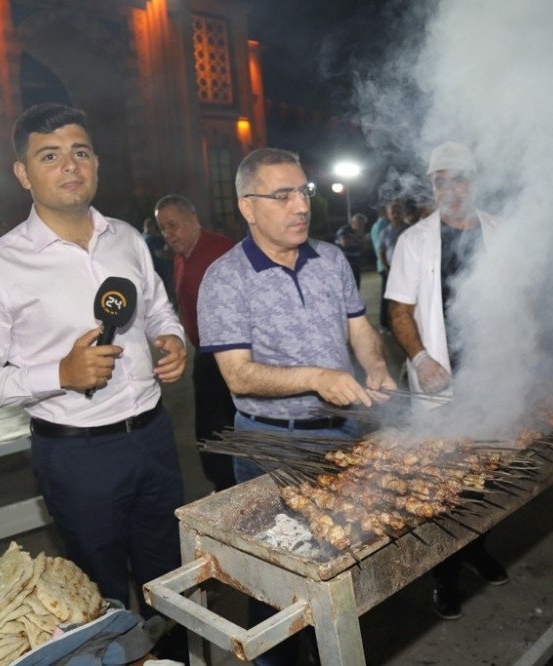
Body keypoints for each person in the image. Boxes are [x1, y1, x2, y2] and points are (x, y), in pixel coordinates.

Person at [0, 103, 187, 619]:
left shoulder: (127, 239)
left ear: (96, 163)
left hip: (153, 438)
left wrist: (172, 340)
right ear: (22, 174)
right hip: (78, 458)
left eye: (80, 152)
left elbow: (160, 311)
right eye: (49, 155)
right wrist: (59, 375)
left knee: (171, 582)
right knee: (98, 599)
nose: (70, 166)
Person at [198, 147, 396, 665]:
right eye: (281, 195)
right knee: (277, 581)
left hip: (342, 434)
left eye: (302, 192)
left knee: (341, 560)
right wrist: (315, 377)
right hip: (270, 443)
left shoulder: (330, 260)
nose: (300, 206)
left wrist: (374, 366)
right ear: (248, 205)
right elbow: (237, 373)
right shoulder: (225, 277)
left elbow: (360, 329)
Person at [384, 141, 509, 621]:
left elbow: (520, 301)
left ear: (475, 181)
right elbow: (398, 310)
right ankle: (445, 573)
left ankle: (477, 548)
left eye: (460, 178)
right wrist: (421, 358)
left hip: (492, 377)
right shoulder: (414, 240)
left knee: (486, 473)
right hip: (440, 383)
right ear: (432, 185)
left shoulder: (500, 230)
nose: (451, 189)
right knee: (443, 481)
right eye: (441, 180)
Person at [155, 193, 237, 491]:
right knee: (208, 429)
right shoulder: (179, 259)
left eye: (173, 225)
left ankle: (236, 484)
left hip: (231, 354)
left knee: (227, 425)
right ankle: (222, 484)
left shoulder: (223, 251)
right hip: (204, 355)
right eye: (163, 228)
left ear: (193, 221)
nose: (168, 234)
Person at [369, 204, 390, 330]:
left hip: (383, 265)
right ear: (384, 211)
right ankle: (384, 324)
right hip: (386, 266)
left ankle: (385, 323)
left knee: (386, 295)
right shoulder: (382, 225)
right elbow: (380, 248)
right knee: (386, 296)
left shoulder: (377, 225)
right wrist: (386, 265)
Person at [335, 212, 367, 288]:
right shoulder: (344, 230)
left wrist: (363, 239)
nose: (361, 226)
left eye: (363, 224)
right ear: (353, 222)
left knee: (356, 286)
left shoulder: (360, 232)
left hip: (356, 262)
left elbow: (363, 248)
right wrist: (357, 235)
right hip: (344, 263)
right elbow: (344, 243)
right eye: (360, 224)